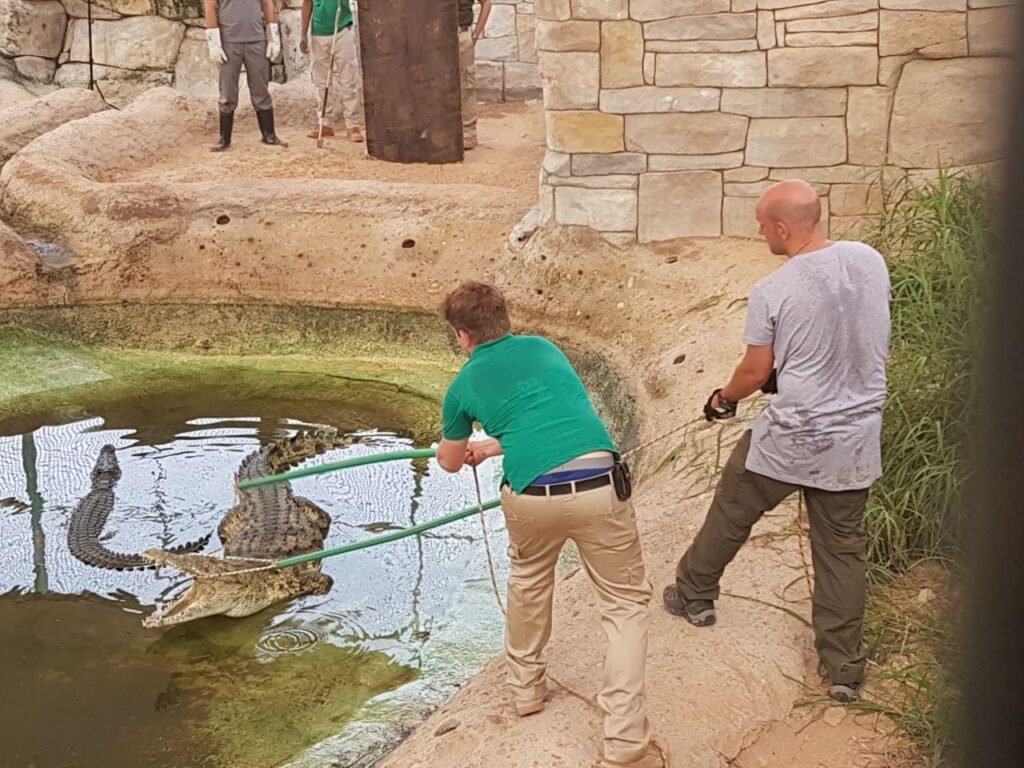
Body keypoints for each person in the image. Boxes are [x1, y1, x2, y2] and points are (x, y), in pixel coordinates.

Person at [662, 180, 891, 704]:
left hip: (794, 436)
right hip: (854, 439)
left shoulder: (774, 288)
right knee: (841, 549)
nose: (760, 232)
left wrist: (723, 398)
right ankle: (844, 669)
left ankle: (694, 594)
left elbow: (753, 371)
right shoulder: (870, 261)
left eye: (762, 225)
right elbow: (861, 335)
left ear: (782, 228)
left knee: (733, 508)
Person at [436, 282, 666, 768]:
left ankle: (526, 691)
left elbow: (450, 462)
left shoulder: (462, 386)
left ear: (463, 335)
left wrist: (477, 445)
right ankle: (625, 739)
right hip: (599, 484)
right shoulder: (544, 348)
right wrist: (498, 443)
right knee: (625, 605)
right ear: (504, 319)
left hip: (531, 495)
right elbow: (553, 418)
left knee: (529, 580)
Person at [204, 0, 285, 151]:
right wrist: (214, 43)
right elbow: (210, 6)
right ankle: (224, 138)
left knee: (261, 88)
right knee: (227, 90)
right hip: (228, 42)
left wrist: (273, 36)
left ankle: (269, 134)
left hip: (257, 39)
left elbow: (267, 3)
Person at [299, 0, 365, 143]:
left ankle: (352, 125)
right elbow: (307, 3)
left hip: (342, 29)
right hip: (318, 33)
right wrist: (303, 33)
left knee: (348, 78)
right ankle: (325, 123)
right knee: (321, 82)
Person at [456, 0, 491, 150]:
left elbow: (486, 3)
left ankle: (468, 134)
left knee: (466, 84)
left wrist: (475, 35)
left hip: (462, 34)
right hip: (436, 36)